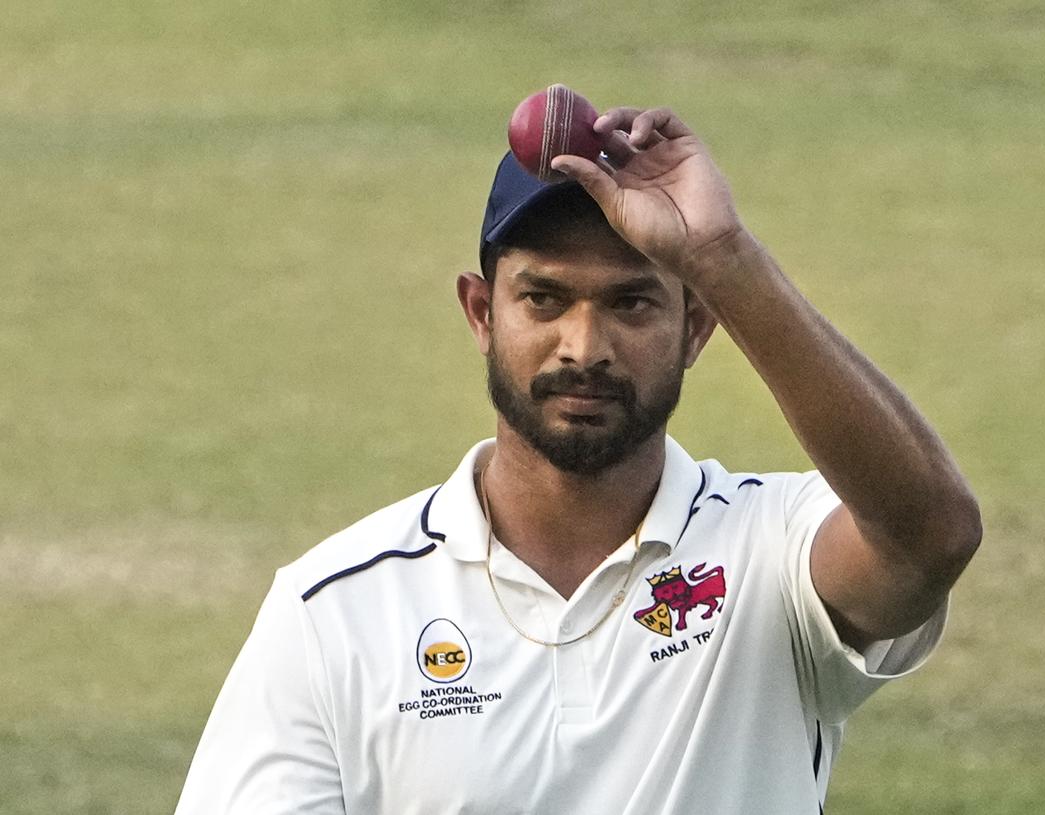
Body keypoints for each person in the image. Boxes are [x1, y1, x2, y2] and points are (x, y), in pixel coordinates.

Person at [176, 105, 982, 815]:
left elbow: (932, 534)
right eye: (545, 297)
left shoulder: (771, 554)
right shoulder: (336, 611)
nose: (584, 347)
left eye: (631, 302)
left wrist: (725, 257)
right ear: (481, 312)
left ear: (697, 328)